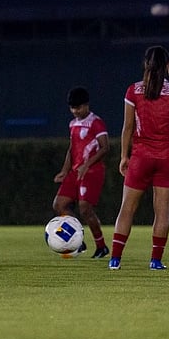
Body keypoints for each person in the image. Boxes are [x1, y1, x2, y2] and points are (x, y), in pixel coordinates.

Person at [108, 46, 169, 271]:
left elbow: (127, 127)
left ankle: (115, 259)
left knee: (127, 208)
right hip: (167, 157)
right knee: (161, 212)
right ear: (166, 66)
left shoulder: (133, 90)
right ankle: (156, 261)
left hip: (141, 157)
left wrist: (124, 156)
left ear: (145, 64)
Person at [53, 87, 110, 259]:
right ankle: (78, 239)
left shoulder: (96, 122)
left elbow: (105, 147)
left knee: (85, 209)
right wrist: (64, 170)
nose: (75, 111)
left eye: (78, 107)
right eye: (72, 108)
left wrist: (87, 164)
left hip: (92, 171)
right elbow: (72, 149)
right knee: (59, 205)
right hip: (76, 171)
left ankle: (101, 246)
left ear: (86, 105)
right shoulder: (72, 124)